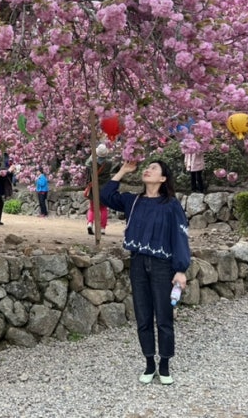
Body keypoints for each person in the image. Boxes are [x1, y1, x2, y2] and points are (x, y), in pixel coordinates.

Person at [101, 160, 191, 386]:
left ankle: (165, 363)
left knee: (164, 317)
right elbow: (105, 195)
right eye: (147, 167)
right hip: (138, 263)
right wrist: (123, 170)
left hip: (163, 265)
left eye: (154, 168)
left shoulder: (171, 205)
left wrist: (181, 269)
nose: (147, 170)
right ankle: (149, 362)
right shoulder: (133, 201)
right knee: (143, 316)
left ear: (163, 178)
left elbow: (180, 236)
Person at [85, 143, 112, 235]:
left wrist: (93, 155)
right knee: (103, 208)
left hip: (94, 186)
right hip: (105, 187)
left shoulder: (93, 162)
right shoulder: (109, 163)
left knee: (92, 208)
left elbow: (87, 164)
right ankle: (102, 228)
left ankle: (90, 223)